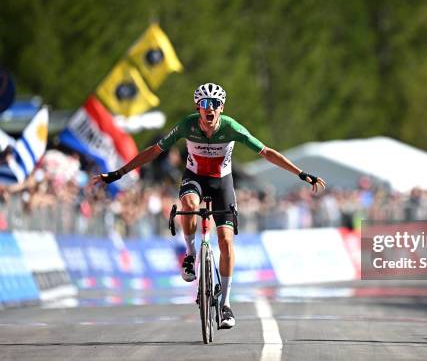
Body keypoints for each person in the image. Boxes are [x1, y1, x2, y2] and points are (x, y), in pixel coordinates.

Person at [91, 82, 326, 329]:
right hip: (195, 178)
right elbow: (154, 151)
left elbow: (266, 152)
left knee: (225, 240)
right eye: (205, 104)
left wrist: (301, 173)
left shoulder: (231, 127)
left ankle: (225, 304)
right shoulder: (187, 125)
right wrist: (119, 173)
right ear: (198, 108)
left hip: (222, 183)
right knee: (189, 204)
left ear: (221, 108)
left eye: (215, 104)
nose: (209, 108)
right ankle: (191, 255)